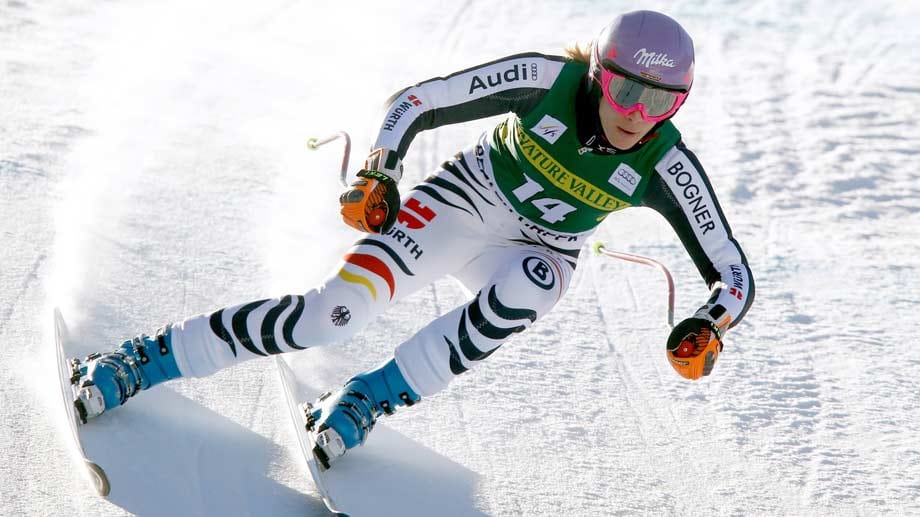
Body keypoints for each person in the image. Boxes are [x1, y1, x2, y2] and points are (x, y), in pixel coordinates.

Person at [70, 10, 754, 468]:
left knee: (533, 289)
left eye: (660, 101)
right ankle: (141, 359)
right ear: (599, 73)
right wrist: (380, 171)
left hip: (539, 249)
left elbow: (732, 272)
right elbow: (416, 102)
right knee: (328, 316)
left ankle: (363, 399)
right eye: (625, 90)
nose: (636, 115)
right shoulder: (547, 81)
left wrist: (709, 323)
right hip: (467, 202)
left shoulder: (665, 162)